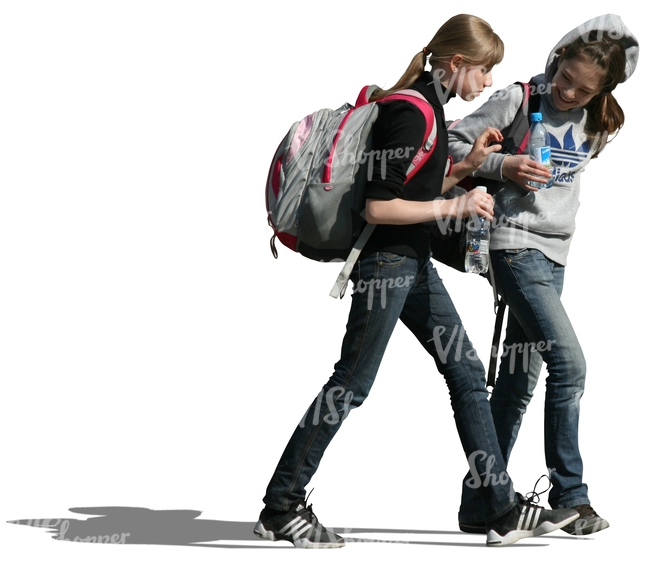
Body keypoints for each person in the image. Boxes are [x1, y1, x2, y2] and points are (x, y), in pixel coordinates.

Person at [254, 14, 579, 549]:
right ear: (455, 64)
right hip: (387, 265)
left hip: (410, 263)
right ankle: (282, 505)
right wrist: (459, 200)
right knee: (351, 384)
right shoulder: (411, 111)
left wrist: (467, 165)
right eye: (483, 70)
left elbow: (412, 185)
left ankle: (497, 506)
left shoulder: (426, 107)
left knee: (467, 370)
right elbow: (380, 205)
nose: (488, 83)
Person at [446, 14, 638, 536]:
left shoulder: (599, 122)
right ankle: (571, 495)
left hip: (555, 258)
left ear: (603, 91)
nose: (568, 91)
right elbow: (449, 145)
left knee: (517, 383)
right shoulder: (519, 99)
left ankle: (483, 503)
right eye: (564, 78)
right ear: (556, 61)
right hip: (514, 250)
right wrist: (504, 165)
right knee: (570, 367)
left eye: (582, 88)